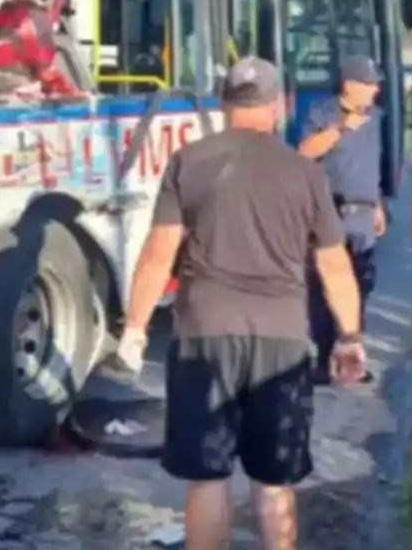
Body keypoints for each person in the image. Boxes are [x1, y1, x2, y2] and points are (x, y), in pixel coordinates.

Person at [114, 57, 365, 550]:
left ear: (225, 105)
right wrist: (350, 337)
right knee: (273, 481)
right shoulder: (304, 172)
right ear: (279, 106)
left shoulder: (190, 160)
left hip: (205, 337)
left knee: (208, 478)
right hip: (283, 340)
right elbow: (335, 266)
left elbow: (157, 253)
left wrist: (135, 327)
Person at [298, 56, 385, 385]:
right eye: (370, 83)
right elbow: (305, 151)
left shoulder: (375, 117)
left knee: (360, 288)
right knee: (322, 291)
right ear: (350, 84)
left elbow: (371, 164)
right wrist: (339, 129)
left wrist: (377, 204)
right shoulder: (322, 112)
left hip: (362, 214)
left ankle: (352, 360)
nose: (375, 90)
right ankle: (322, 360)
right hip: (328, 213)